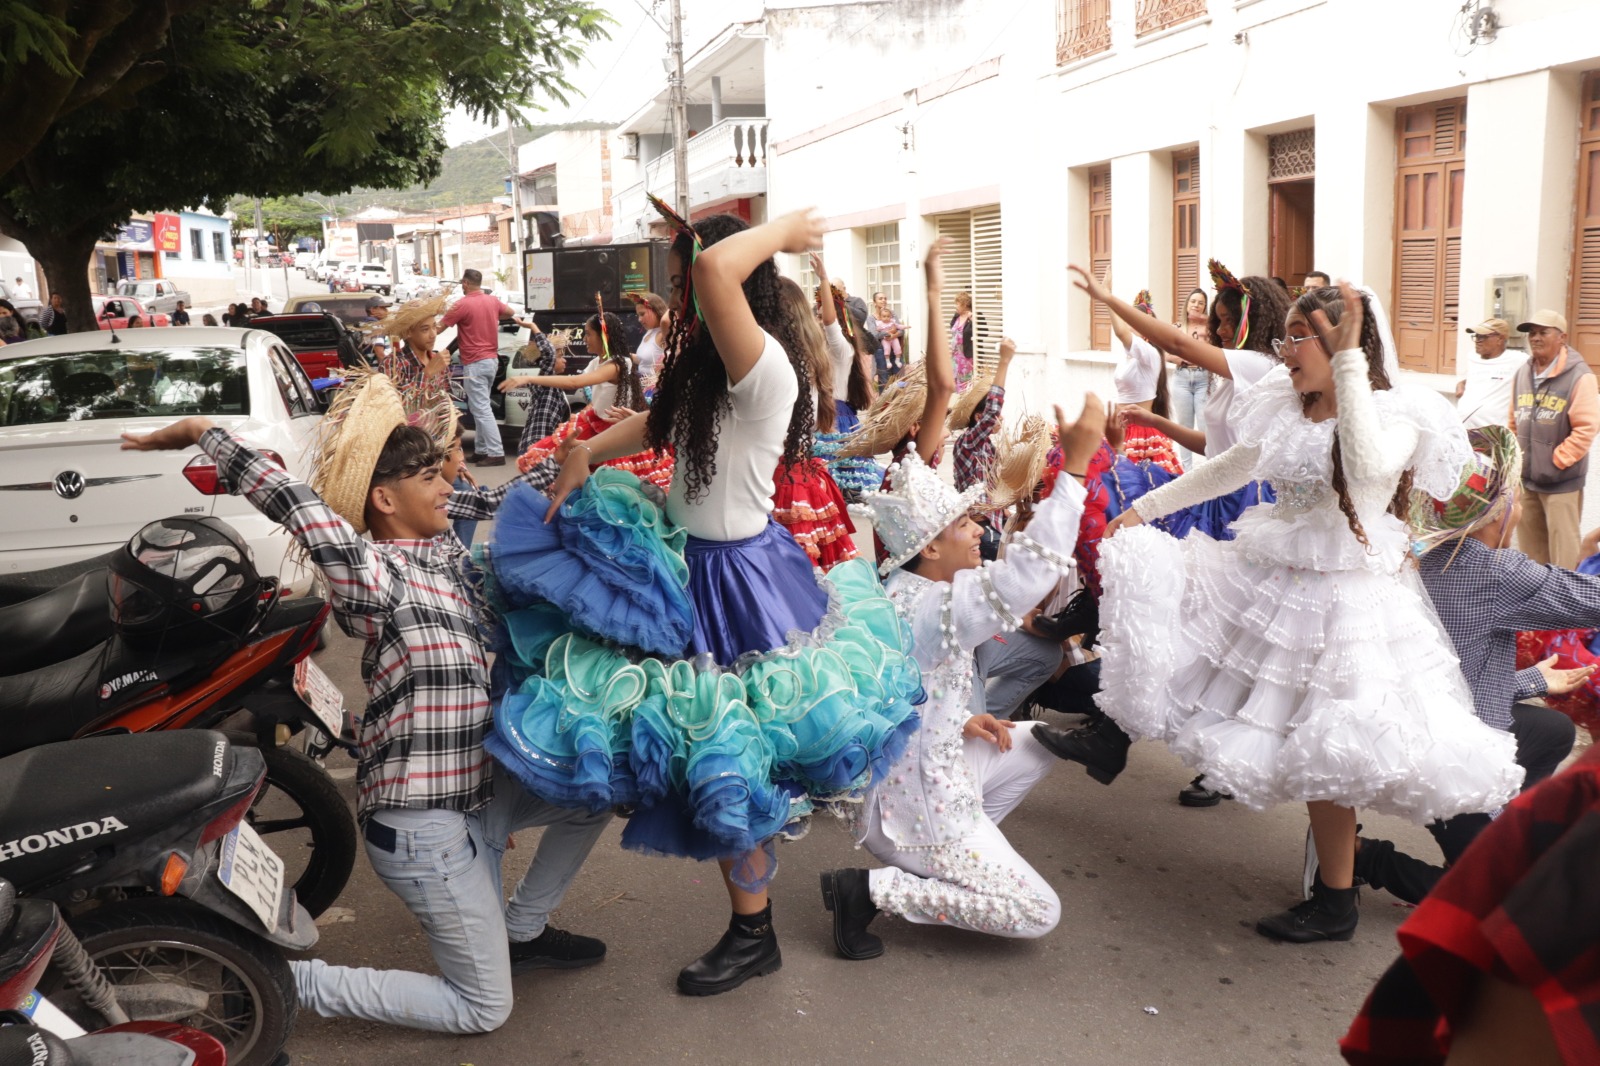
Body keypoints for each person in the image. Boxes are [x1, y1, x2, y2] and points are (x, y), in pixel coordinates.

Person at [509, 206, 923, 997]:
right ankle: (733, 925)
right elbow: (660, 421)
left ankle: (752, 934)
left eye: (682, 275)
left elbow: (710, 272)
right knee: (690, 750)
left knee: (731, 760)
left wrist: (783, 233)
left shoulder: (765, 367)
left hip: (735, 582)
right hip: (685, 563)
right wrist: (588, 449)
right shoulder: (712, 375)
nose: (680, 291)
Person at [118, 375, 612, 1034]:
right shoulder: (375, 574)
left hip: (473, 796)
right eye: (432, 479)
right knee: (483, 1009)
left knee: (601, 788)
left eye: (445, 476)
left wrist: (589, 451)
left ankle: (519, 930)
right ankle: (282, 979)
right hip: (423, 828)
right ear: (384, 498)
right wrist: (200, 433)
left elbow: (502, 493)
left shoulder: (441, 555)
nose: (449, 489)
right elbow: (297, 504)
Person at [1085, 282, 1522, 944]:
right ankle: (1334, 894)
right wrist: (1143, 509)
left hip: (1351, 607)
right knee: (1306, 748)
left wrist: (1348, 368)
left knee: (1335, 750)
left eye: (1298, 336)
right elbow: (1230, 467)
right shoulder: (1288, 409)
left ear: (1343, 344)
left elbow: (1368, 467)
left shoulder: (1396, 410)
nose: (1284, 350)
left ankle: (1335, 899)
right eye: (1283, 336)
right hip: (1277, 590)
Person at [822, 387, 1106, 955]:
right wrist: (1073, 470)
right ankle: (874, 891)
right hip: (913, 812)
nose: (978, 531)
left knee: (1035, 741)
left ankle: (967, 860)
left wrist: (962, 720)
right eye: (962, 525)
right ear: (928, 548)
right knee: (1036, 912)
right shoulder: (934, 605)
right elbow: (1025, 579)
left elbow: (922, 693)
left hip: (924, 775)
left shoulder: (911, 589)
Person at [1324, 425, 1587, 907]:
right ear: (1499, 509)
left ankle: (1489, 839)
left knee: (1551, 731)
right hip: (1447, 751)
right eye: (1518, 497)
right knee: (1502, 902)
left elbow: (1453, 675)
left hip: (1416, 718)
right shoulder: (1494, 572)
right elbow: (1590, 600)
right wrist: (1590, 551)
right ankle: (1362, 857)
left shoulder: (1418, 553)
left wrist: (1533, 679)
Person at [1066, 260, 1288, 807]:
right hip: (1214, 490)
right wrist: (1157, 424)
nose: (1209, 332)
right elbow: (1215, 450)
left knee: (1216, 635)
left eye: (1218, 322)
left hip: (1244, 510)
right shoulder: (1238, 375)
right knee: (1185, 618)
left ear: (1246, 325)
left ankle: (1181, 756)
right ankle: (1116, 727)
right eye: (1210, 322)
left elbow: (1177, 346)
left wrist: (1108, 298)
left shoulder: (1260, 365)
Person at [1340, 744, 1600, 1066]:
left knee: (1482, 896)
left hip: (1480, 793)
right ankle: (1355, 853)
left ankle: (1356, 854)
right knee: (1481, 899)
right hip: (1462, 787)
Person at [503, 313, 669, 492]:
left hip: (613, 429)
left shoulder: (618, 365)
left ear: (603, 336)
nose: (584, 339)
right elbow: (576, 379)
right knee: (568, 473)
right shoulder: (598, 362)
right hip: (593, 422)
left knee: (608, 486)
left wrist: (529, 378)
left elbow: (575, 382)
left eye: (588, 334)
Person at [1511, 309, 1596, 568]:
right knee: (1531, 553)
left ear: (1562, 337)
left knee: (1565, 554)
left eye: (1543, 332)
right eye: (1532, 333)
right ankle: (1537, 607)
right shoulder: (1522, 373)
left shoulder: (1580, 376)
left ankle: (1568, 606)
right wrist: (1517, 461)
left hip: (1561, 482)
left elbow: (1587, 427)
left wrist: (1556, 461)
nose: (1535, 338)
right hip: (1527, 480)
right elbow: (1513, 421)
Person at [440, 269, 514, 466]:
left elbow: (439, 328)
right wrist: (494, 318)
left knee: (480, 408)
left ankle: (496, 453)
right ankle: (481, 450)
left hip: (474, 362)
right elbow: (510, 313)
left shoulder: (462, 304)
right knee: (481, 406)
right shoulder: (492, 301)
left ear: (465, 283)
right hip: (491, 361)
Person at [1109, 287, 1181, 476]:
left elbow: (1120, 333)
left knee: (1137, 487)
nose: (1127, 325)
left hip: (1140, 433)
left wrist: (1107, 295)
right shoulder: (1128, 356)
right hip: (1120, 428)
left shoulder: (1150, 354)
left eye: (1132, 322)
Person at [810, 254, 877, 433]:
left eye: (819, 316)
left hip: (836, 419)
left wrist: (824, 280)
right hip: (820, 416)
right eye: (816, 316)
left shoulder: (841, 348)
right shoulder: (820, 348)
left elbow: (829, 323)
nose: (817, 320)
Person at [1454, 317, 1526, 429]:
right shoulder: (1471, 356)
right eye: (1476, 336)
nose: (1478, 340)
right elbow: (1470, 379)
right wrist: (1461, 384)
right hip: (1464, 429)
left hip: (1493, 433)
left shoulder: (1518, 360)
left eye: (1483, 336)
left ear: (1500, 339)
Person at [1169, 288, 1211, 468]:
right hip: (1182, 378)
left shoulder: (1210, 328)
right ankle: (1187, 470)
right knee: (1184, 427)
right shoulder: (1177, 328)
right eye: (1193, 301)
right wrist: (1179, 358)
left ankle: (1210, 466)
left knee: (1205, 425)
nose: (1196, 305)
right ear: (1187, 305)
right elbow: (1163, 352)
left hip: (1203, 378)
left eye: (1201, 302)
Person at [626, 291, 670, 388]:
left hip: (655, 389)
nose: (639, 319)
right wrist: (624, 354)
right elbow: (644, 360)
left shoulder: (664, 334)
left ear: (656, 310)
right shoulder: (649, 332)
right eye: (638, 315)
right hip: (642, 387)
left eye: (642, 314)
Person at [868, 291, 906, 385]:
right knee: (884, 380)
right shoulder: (871, 318)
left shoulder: (892, 314)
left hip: (896, 350)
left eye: (885, 298)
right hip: (880, 352)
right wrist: (890, 332)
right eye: (880, 299)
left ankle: (898, 400)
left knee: (899, 378)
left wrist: (894, 335)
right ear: (874, 303)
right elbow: (874, 335)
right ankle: (884, 400)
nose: (884, 300)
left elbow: (901, 330)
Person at [949, 291, 976, 389]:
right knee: (954, 383)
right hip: (955, 356)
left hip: (966, 358)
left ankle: (965, 403)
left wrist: (972, 319)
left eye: (957, 304)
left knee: (965, 384)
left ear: (965, 305)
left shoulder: (975, 315)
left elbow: (983, 332)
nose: (955, 306)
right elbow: (953, 329)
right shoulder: (957, 315)